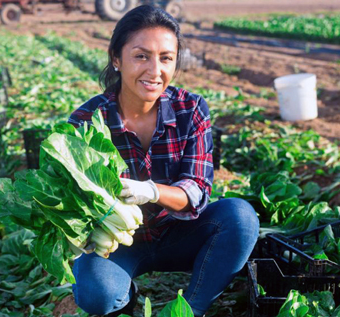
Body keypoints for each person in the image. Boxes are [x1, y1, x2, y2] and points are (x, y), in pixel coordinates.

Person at [68, 5, 259, 317]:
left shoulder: (191, 109)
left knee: (240, 217)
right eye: (141, 56)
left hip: (180, 233)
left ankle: (191, 308)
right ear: (117, 59)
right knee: (94, 294)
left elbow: (197, 191)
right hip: (117, 243)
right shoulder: (87, 120)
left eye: (166, 58)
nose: (155, 70)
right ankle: (124, 297)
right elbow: (73, 203)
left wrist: (152, 192)